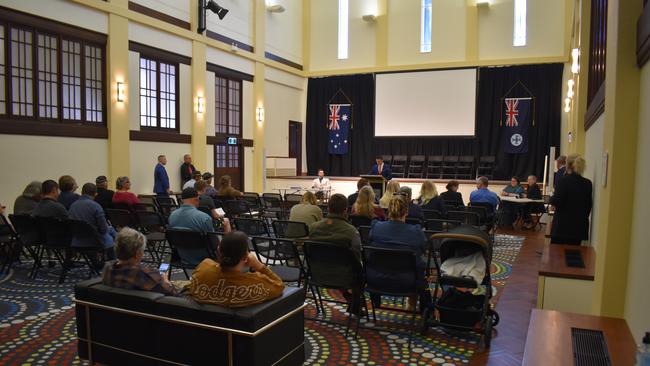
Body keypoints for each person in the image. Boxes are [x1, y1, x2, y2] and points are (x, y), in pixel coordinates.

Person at [189, 231, 285, 307]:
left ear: (219, 250)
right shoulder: (253, 283)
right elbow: (279, 285)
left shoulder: (204, 267)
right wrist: (259, 266)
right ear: (245, 257)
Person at [368, 195, 428, 311]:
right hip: (407, 282)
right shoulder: (415, 231)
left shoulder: (376, 227)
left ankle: (376, 303)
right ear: (406, 212)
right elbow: (423, 249)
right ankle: (413, 306)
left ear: (389, 211)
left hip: (375, 279)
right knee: (419, 265)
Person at [102, 228, 179, 295]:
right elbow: (173, 294)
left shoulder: (107, 268)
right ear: (137, 254)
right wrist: (166, 281)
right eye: (143, 251)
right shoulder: (144, 275)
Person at [550, 154, 592, 245]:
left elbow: (557, 201)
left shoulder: (563, 181)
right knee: (573, 255)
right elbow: (588, 205)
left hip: (562, 227)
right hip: (579, 227)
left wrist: (551, 198)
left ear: (567, 165)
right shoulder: (588, 183)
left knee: (556, 256)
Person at [168, 188, 216, 265]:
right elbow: (213, 243)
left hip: (182, 256)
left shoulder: (172, 216)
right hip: (205, 259)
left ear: (182, 200)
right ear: (196, 199)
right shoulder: (204, 218)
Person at [69, 183, 117, 261]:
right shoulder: (96, 206)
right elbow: (103, 230)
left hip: (76, 241)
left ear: (82, 192)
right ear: (95, 194)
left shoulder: (73, 205)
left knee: (110, 230)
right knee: (111, 231)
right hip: (94, 241)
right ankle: (116, 258)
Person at [309, 193, 362, 260]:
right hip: (343, 269)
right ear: (345, 210)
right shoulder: (352, 232)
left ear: (328, 209)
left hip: (315, 269)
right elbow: (357, 257)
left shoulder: (313, 228)